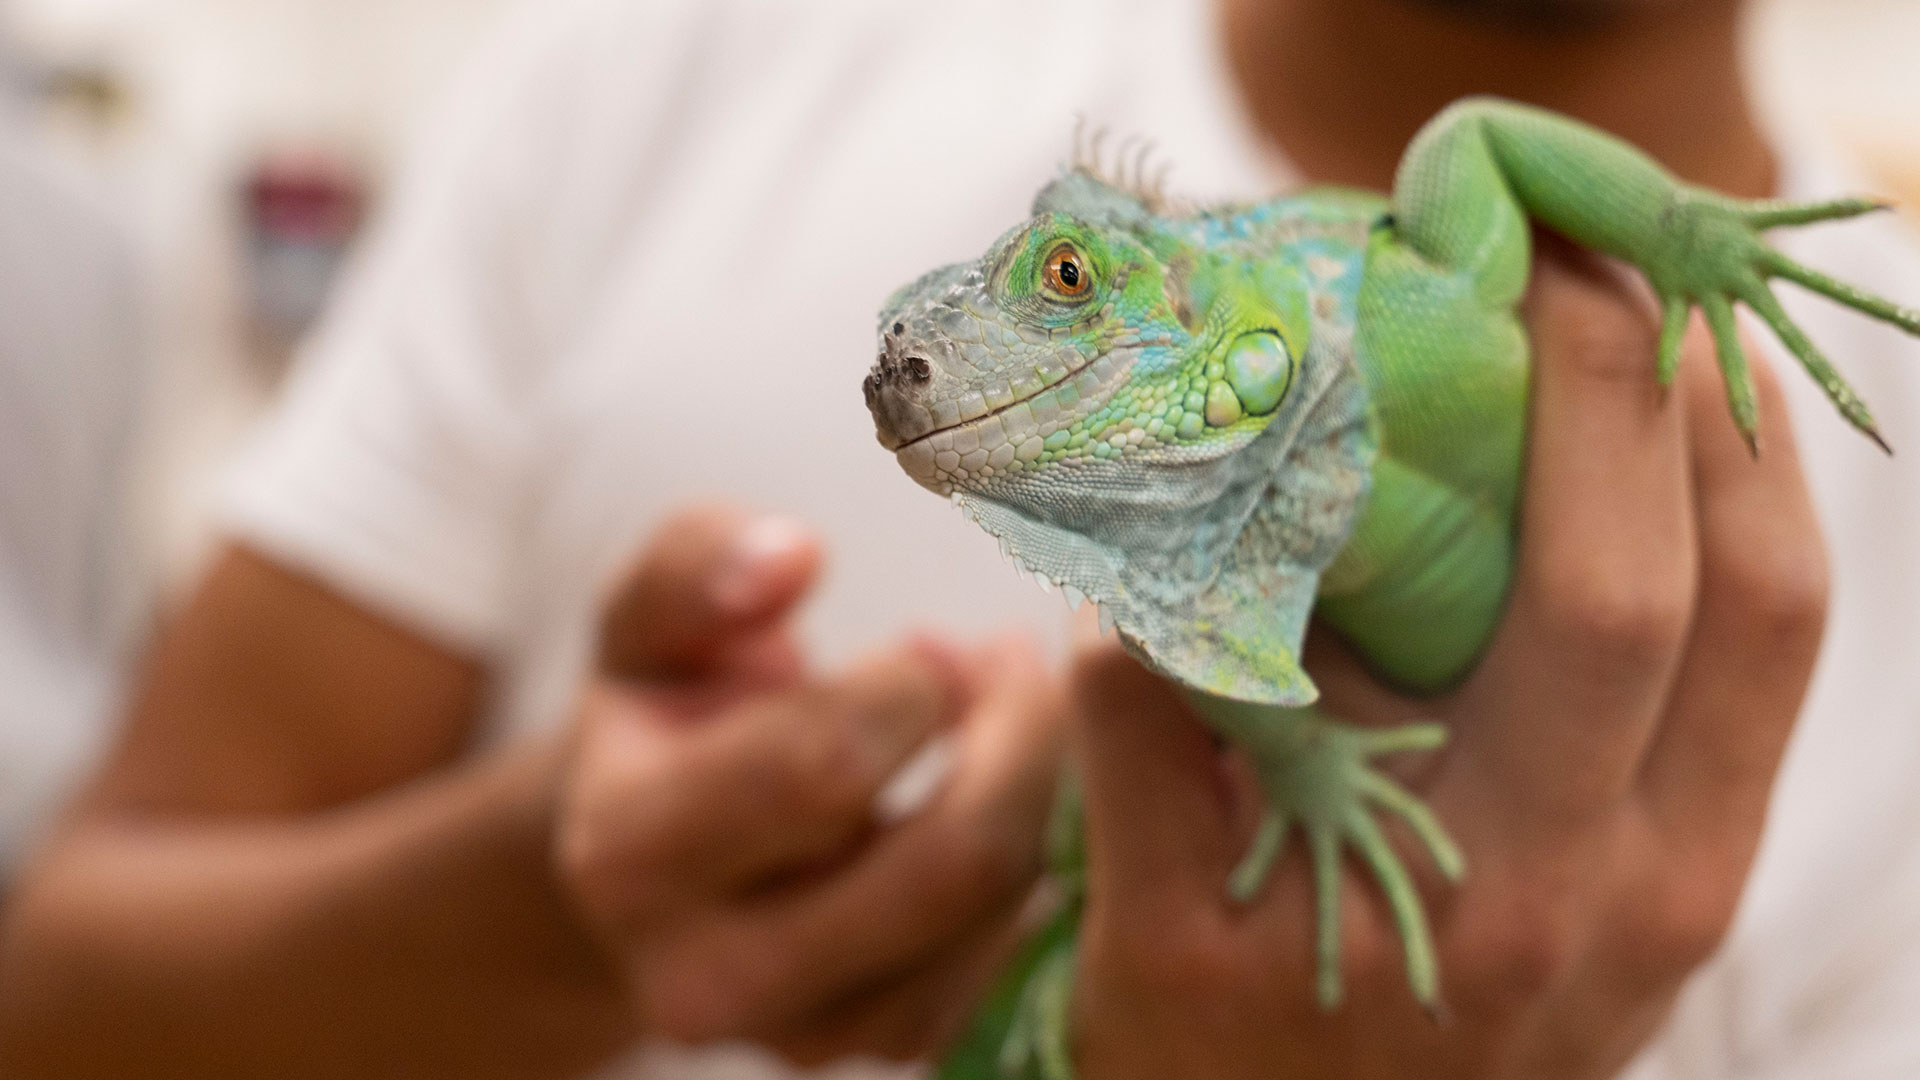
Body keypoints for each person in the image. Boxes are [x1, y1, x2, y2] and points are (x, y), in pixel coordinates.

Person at [6, 0, 1920, 1077]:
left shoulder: (1491, 292)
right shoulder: (675, 75)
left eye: (1071, 285)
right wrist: (555, 905)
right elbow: (59, 997)